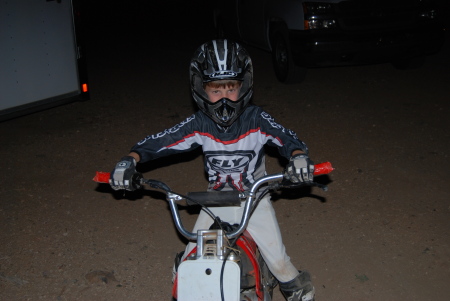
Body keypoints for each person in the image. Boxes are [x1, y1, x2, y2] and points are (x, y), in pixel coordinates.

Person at [109, 39, 315, 301]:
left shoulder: (256, 119)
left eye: (232, 89)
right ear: (200, 89)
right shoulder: (200, 123)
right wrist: (131, 158)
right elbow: (162, 140)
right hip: (214, 199)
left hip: (254, 199)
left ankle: (302, 290)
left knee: (279, 263)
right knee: (188, 262)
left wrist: (298, 157)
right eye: (216, 91)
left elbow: (286, 138)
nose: (225, 98)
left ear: (245, 86)